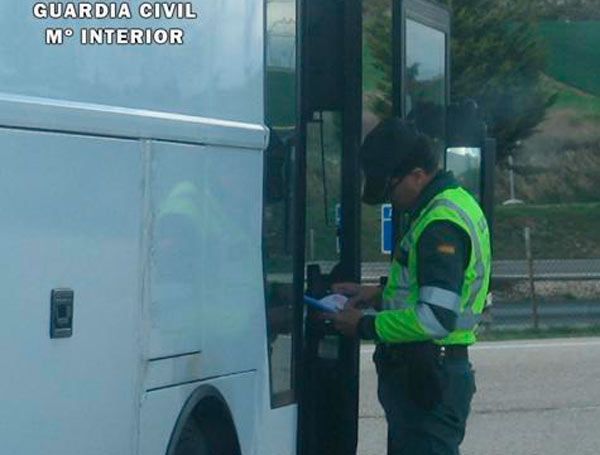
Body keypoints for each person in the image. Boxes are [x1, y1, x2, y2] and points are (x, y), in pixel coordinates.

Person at [329, 117, 491, 454]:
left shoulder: (439, 225)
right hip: (434, 370)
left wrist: (365, 325)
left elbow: (435, 316)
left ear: (418, 174)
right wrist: (378, 293)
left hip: (428, 373)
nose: (389, 200)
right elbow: (430, 287)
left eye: (391, 188)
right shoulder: (452, 203)